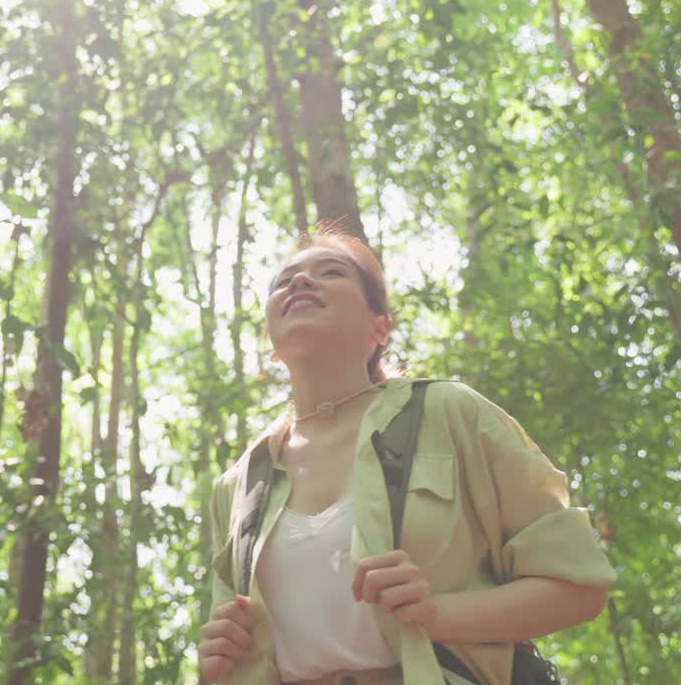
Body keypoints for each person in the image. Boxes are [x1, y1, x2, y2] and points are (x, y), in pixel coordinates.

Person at [197, 226, 617, 685]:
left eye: (330, 272)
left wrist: (438, 614)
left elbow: (579, 587)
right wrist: (220, 661)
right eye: (285, 280)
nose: (300, 282)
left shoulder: (449, 414)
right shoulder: (239, 485)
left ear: (381, 327)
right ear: (271, 345)